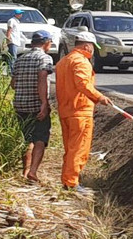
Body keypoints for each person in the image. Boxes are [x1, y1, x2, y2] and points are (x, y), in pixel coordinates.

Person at [54, 29, 110, 195]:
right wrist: (99, 97)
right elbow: (83, 84)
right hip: (80, 111)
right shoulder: (81, 62)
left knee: (70, 149)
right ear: (87, 46)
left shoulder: (63, 61)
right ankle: (71, 183)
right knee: (79, 149)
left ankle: (67, 180)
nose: (93, 51)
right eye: (93, 48)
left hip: (66, 110)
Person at [10, 30, 55, 183]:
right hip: (36, 104)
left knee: (26, 138)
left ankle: (25, 171)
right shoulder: (45, 58)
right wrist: (44, 103)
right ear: (47, 43)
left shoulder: (20, 59)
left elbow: (13, 84)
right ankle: (33, 172)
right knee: (40, 138)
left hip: (20, 105)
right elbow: (42, 78)